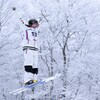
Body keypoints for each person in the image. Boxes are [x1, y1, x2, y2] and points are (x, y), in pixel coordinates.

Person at [22, 19, 39, 86]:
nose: (35, 25)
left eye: (36, 24)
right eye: (34, 24)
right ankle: (27, 80)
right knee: (29, 63)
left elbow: (41, 20)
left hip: (35, 49)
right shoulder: (26, 29)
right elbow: (20, 21)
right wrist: (15, 11)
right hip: (28, 48)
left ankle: (34, 79)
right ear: (30, 24)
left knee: (35, 64)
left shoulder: (36, 31)